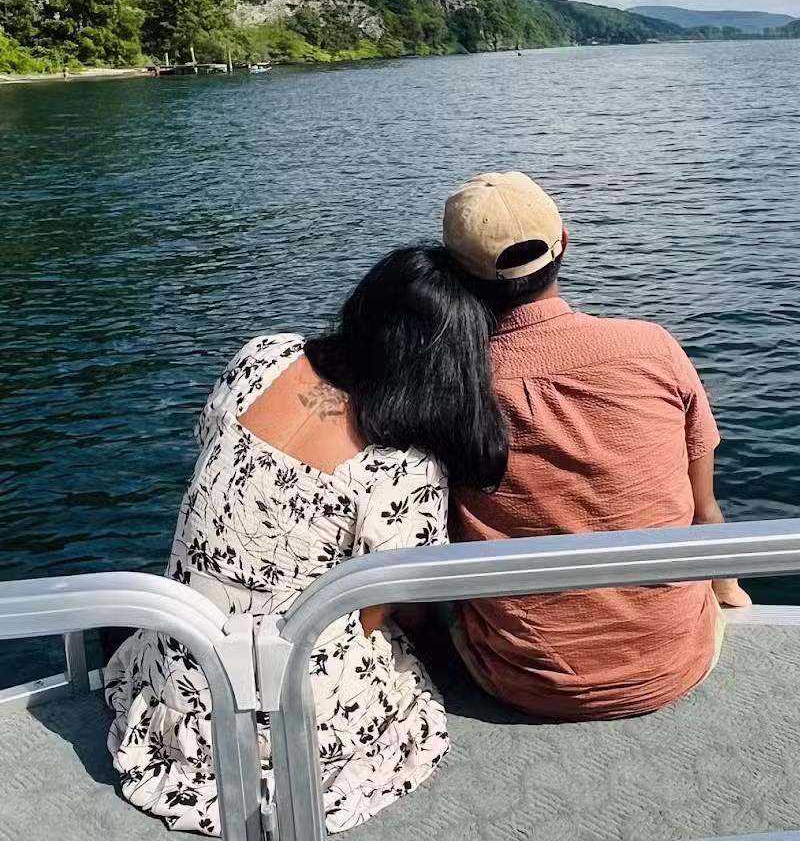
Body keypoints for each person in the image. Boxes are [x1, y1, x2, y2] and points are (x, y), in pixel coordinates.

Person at [104, 246, 507, 836]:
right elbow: (377, 613)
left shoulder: (261, 357)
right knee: (401, 659)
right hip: (284, 717)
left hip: (183, 669)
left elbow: (207, 444)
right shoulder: (402, 467)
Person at [442, 171, 750, 722]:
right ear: (566, 240)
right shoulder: (651, 348)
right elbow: (704, 508)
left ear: (455, 276)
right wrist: (729, 592)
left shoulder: (450, 388)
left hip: (520, 679)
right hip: (676, 659)